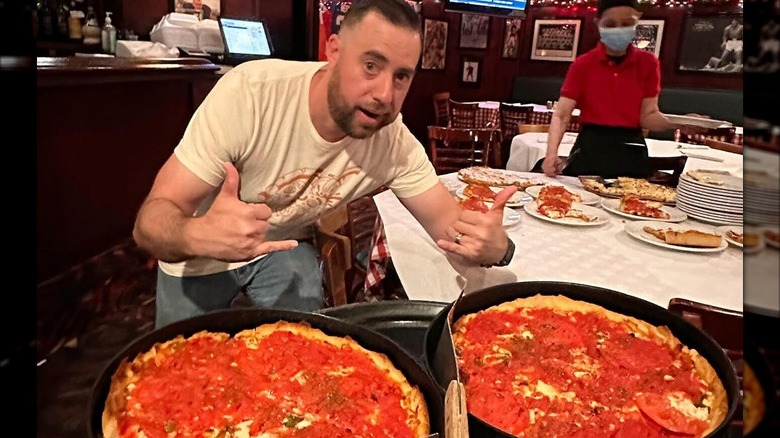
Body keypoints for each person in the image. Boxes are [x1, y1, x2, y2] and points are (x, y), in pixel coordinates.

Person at [132, 0, 517, 328]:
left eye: (401, 76)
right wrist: (196, 234)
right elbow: (148, 224)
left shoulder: (394, 142)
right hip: (197, 252)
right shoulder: (250, 94)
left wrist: (496, 247)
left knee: (306, 355)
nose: (385, 94)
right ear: (333, 51)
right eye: (371, 65)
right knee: (177, 366)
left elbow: (453, 230)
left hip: (280, 248)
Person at [542, 0, 700, 179]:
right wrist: (551, 154)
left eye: (626, 23)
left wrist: (679, 123)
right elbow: (561, 114)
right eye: (610, 24)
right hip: (591, 147)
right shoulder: (583, 64)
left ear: (637, 21)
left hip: (631, 149)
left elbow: (648, 116)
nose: (618, 29)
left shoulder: (648, 63)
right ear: (598, 23)